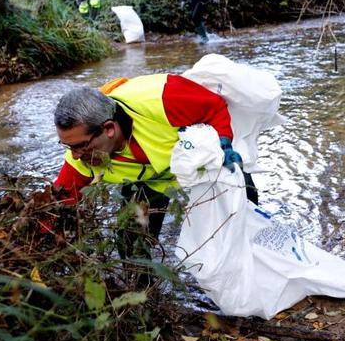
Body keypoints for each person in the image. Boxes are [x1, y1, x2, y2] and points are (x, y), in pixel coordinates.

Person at [52, 75, 259, 259]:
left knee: (243, 204)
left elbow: (214, 107)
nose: (76, 156)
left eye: (80, 146)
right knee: (131, 243)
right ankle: (144, 296)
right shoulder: (80, 159)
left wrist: (224, 141)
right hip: (151, 180)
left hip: (202, 158)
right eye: (68, 146)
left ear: (108, 129)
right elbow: (56, 208)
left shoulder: (163, 99)